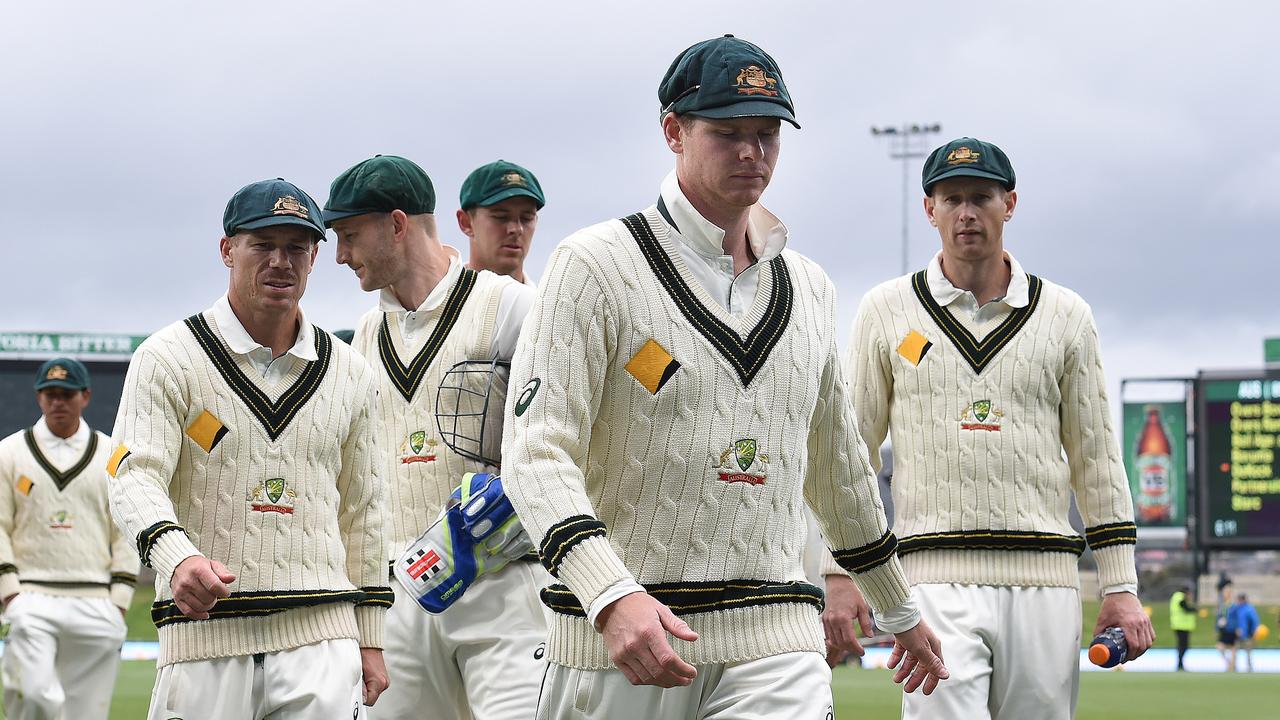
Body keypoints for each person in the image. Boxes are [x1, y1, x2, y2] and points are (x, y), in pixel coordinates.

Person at [501, 35, 947, 719]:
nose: (752, 153)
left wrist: (897, 606)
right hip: (619, 647)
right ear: (673, 131)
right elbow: (535, 455)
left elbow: (839, 470)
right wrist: (610, 595)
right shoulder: (593, 265)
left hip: (777, 644)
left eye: (767, 134)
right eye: (728, 132)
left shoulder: (810, 288)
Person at [845, 137, 1155, 719]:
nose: (966, 213)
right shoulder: (885, 310)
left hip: (1046, 583)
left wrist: (1120, 584)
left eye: (981, 197)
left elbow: (1097, 458)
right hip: (931, 582)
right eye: (952, 198)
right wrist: (841, 572)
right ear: (928, 209)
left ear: (1008, 204)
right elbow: (850, 452)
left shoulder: (1066, 315)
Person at [107, 178, 391, 719]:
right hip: (204, 642)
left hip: (322, 642)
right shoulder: (168, 358)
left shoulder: (352, 372)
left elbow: (365, 511)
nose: (280, 262)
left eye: (296, 248)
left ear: (313, 258)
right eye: (262, 245)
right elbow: (132, 473)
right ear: (227, 249)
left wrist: (370, 636)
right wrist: (177, 558)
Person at [324, 155, 547, 720]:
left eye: (349, 235)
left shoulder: (510, 306)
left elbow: (570, 433)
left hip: (504, 579)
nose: (340, 254)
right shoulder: (367, 335)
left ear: (397, 225)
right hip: (403, 589)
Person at [0, 358, 138, 720]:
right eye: (49, 394)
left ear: (86, 396)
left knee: (85, 713)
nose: (57, 402)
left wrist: (120, 599)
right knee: (34, 699)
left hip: (95, 599)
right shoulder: (9, 453)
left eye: (66, 394)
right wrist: (10, 594)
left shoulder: (112, 455)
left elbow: (125, 528)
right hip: (30, 595)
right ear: (38, 398)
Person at [457, 159, 545, 286]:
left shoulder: (547, 304)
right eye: (501, 217)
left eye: (527, 218)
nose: (516, 229)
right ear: (466, 222)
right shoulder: (436, 303)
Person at [1230, 593, 1260, 672]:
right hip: (1237, 634)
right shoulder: (1235, 608)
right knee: (1234, 651)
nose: (1238, 602)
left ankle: (1249, 668)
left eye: (1239, 600)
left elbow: (1255, 621)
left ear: (1243, 600)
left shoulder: (1249, 609)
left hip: (1248, 634)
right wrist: (1235, 629)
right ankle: (1233, 667)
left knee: (1248, 651)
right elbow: (1231, 618)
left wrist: (1253, 632)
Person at [1169, 584, 1196, 671]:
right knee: (1183, 646)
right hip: (1181, 626)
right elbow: (1185, 608)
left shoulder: (1176, 597)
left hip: (1179, 625)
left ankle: (1180, 664)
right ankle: (1180, 664)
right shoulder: (1180, 597)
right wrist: (1195, 610)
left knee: (1182, 646)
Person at [1215, 578, 1236, 670]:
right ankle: (1229, 663)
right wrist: (1217, 627)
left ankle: (1232, 666)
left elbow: (1236, 618)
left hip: (1231, 629)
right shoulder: (1222, 605)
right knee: (1220, 647)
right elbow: (1219, 618)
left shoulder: (1233, 605)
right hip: (1223, 630)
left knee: (1233, 648)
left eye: (1227, 592)